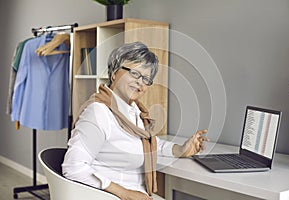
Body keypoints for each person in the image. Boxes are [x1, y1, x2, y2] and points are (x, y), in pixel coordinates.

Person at [62, 41, 208, 200]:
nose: (140, 83)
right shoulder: (98, 113)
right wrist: (124, 193)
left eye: (146, 79)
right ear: (115, 73)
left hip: (136, 193)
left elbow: (149, 144)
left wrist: (180, 149)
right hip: (108, 196)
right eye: (134, 73)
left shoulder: (133, 111)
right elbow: (73, 167)